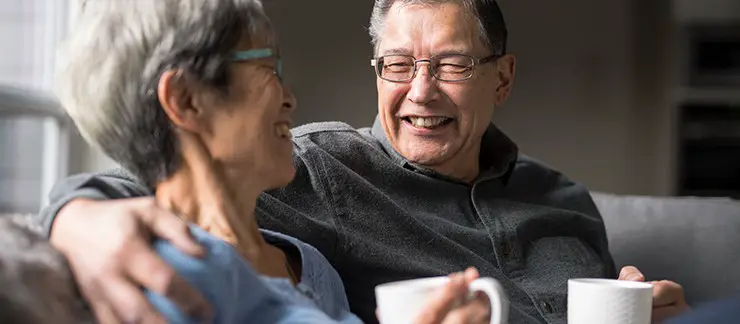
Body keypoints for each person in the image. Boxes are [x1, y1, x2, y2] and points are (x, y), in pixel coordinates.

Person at [41, 0, 689, 323]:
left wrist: (642, 304)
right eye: (400, 65)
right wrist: (74, 218)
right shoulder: (312, 166)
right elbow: (154, 171)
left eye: (453, 64)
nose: (422, 90)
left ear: (503, 77)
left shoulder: (566, 201)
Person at [49, 0, 492, 323]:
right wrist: (71, 212)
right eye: (268, 68)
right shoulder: (156, 283)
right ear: (186, 100)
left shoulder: (310, 268)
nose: (289, 98)